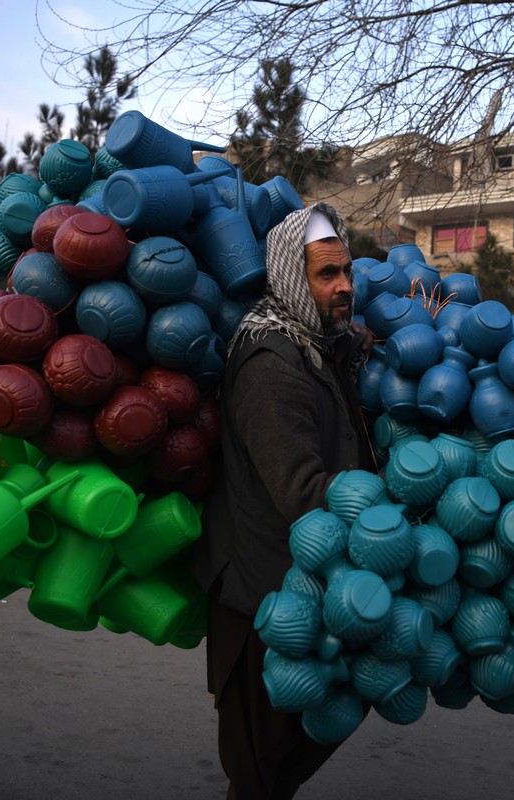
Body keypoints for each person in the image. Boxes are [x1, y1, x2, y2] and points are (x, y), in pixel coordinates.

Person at [191, 202, 375, 799]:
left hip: (306, 586)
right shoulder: (272, 362)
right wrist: (392, 515)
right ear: (294, 279)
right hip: (261, 599)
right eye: (327, 275)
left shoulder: (322, 345)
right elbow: (301, 492)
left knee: (286, 758)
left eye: (346, 271)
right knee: (258, 769)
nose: (344, 286)